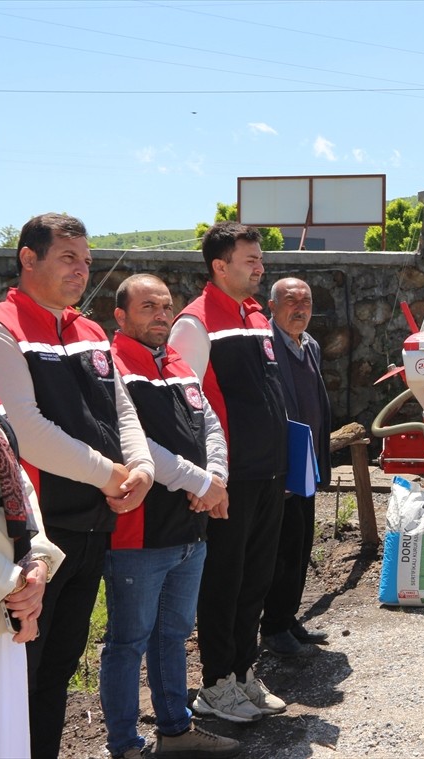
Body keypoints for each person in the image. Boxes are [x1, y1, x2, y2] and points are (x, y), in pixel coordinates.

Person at [0, 213, 154, 759]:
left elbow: (121, 408)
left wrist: (142, 470)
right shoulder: (0, 327)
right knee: (23, 674)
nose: (82, 270)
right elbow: (27, 431)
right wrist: (115, 476)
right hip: (38, 539)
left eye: (86, 260)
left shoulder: (88, 330)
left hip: (93, 528)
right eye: (68, 258)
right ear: (28, 259)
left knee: (60, 669)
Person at [101, 275, 240, 759]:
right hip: (138, 534)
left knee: (174, 636)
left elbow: (210, 423)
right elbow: (134, 444)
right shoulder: (111, 366)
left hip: (188, 531)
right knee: (128, 643)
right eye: (147, 307)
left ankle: (176, 731)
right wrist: (202, 484)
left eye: (165, 306)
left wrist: (216, 475)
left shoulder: (177, 360)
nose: (161, 315)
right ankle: (124, 746)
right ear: (120, 316)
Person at [169, 222, 289, 724]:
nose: (260, 267)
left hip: (267, 471)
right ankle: (216, 684)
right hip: (229, 479)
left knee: (257, 578)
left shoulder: (257, 316)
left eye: (260, 259)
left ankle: (243, 673)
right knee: (224, 582)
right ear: (219, 266)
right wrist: (207, 480)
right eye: (250, 260)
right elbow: (186, 407)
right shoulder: (194, 324)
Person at [0, 387, 65, 759]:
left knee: (6, 738)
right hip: (1, 594)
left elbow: (16, 479)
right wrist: (12, 585)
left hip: (4, 609)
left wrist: (36, 560)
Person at [260, 278, 332, 658]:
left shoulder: (311, 345)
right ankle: (272, 628)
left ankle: (288, 618)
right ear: (271, 306)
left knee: (302, 544)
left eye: (306, 300)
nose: (299, 308)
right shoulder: (265, 346)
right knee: (282, 549)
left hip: (307, 464)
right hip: (281, 465)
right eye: (290, 300)